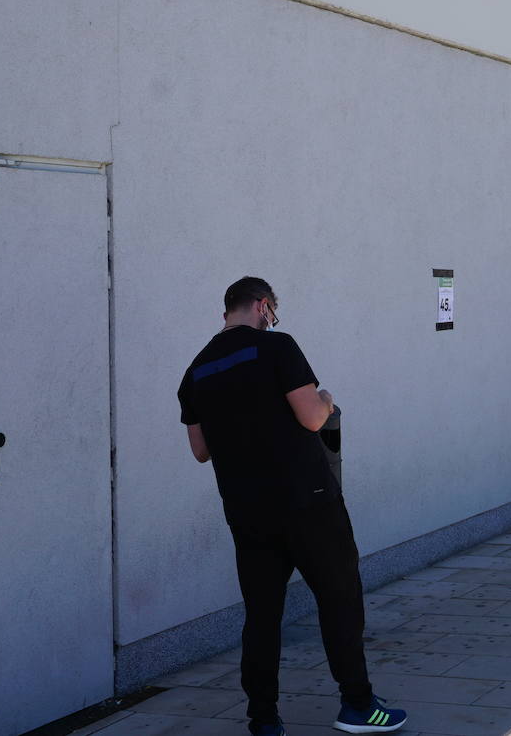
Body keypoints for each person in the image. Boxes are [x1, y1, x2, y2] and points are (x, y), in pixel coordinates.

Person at [178, 277, 408, 736]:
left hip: (247, 512)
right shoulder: (277, 347)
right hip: (308, 502)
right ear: (263, 306)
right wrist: (325, 399)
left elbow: (200, 450)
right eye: (272, 310)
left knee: (262, 615)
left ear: (226, 311)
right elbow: (311, 416)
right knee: (339, 598)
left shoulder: (196, 371)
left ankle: (263, 720)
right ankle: (358, 706)